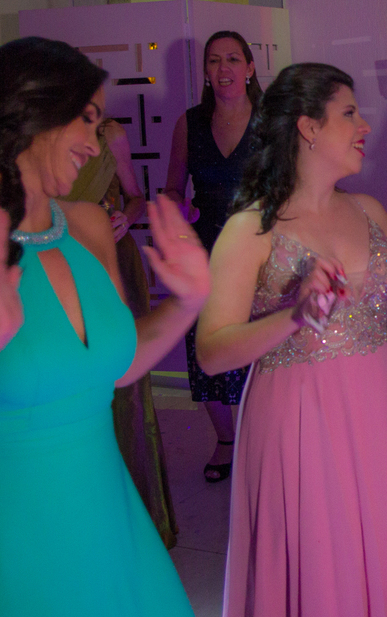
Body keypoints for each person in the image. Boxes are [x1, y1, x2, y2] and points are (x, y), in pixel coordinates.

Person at [196, 63, 387, 617]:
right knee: (324, 560)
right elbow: (212, 351)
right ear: (308, 127)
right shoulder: (251, 227)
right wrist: (294, 317)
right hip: (302, 415)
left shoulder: (368, 210)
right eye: (349, 113)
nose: (364, 126)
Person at [0, 36, 209, 615]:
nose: (94, 141)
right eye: (85, 118)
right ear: (30, 109)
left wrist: (187, 302)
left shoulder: (86, 224)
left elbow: (115, 367)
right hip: (9, 529)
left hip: (109, 514)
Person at [61, 117, 178, 547]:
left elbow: (136, 197)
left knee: (127, 393)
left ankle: (140, 515)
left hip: (111, 254)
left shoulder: (110, 134)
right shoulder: (36, 143)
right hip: (64, 258)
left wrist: (127, 218)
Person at [163, 29, 259, 482]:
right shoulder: (190, 123)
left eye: (233, 59)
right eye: (215, 60)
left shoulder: (273, 122)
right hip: (204, 251)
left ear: (250, 68)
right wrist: (177, 209)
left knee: (259, 347)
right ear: (205, 71)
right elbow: (171, 188)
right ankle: (226, 439)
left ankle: (263, 438)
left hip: (260, 249)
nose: (224, 69)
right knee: (207, 346)